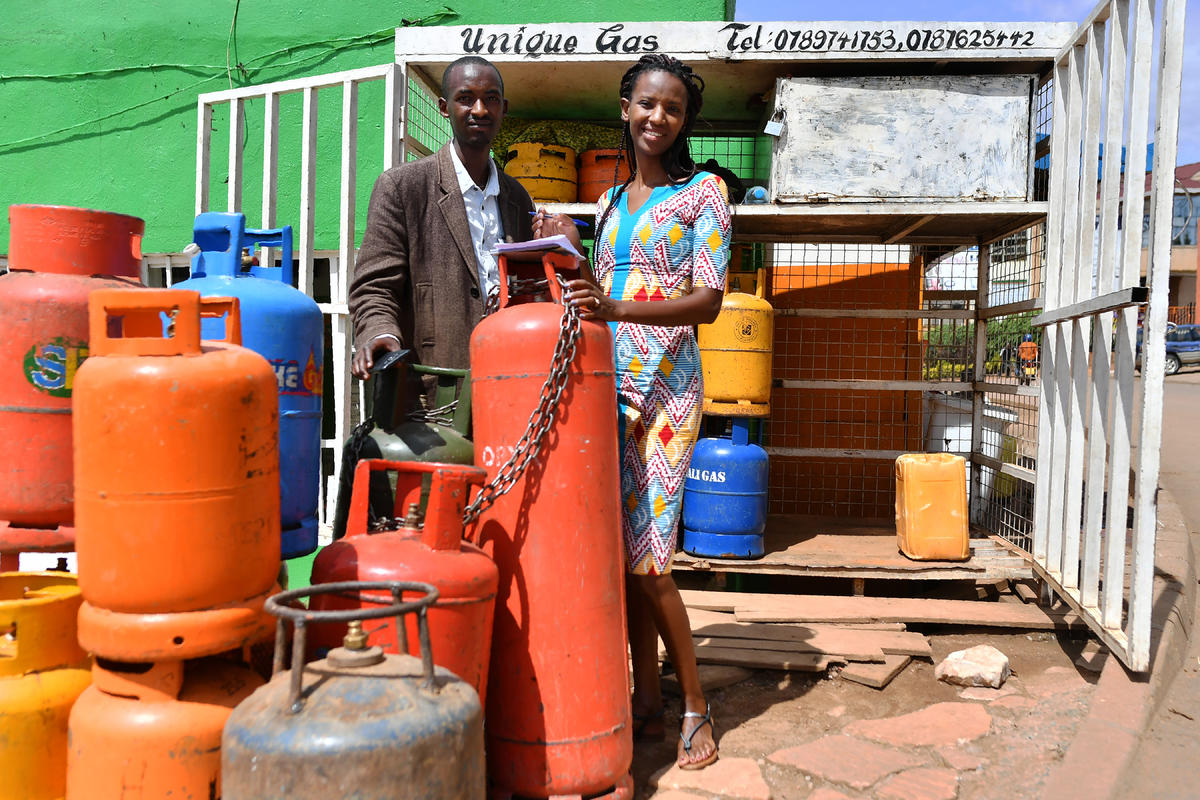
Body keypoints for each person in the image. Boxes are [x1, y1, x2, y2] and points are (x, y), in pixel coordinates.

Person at [565, 53, 728, 771]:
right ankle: (647, 705)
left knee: (652, 560)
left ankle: (695, 704)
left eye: (673, 108)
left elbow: (711, 301)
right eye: (647, 104)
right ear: (625, 108)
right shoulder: (605, 203)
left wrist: (620, 305)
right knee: (624, 559)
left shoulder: (706, 193)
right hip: (608, 388)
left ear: (682, 120)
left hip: (668, 395)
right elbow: (597, 288)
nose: (658, 117)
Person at [349, 55, 581, 395]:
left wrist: (556, 249)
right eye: (465, 98)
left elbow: (528, 290)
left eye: (491, 99)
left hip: (509, 384)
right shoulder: (403, 187)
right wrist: (380, 332)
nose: (480, 109)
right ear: (444, 107)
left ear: (504, 108)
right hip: (433, 392)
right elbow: (373, 288)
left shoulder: (517, 198)